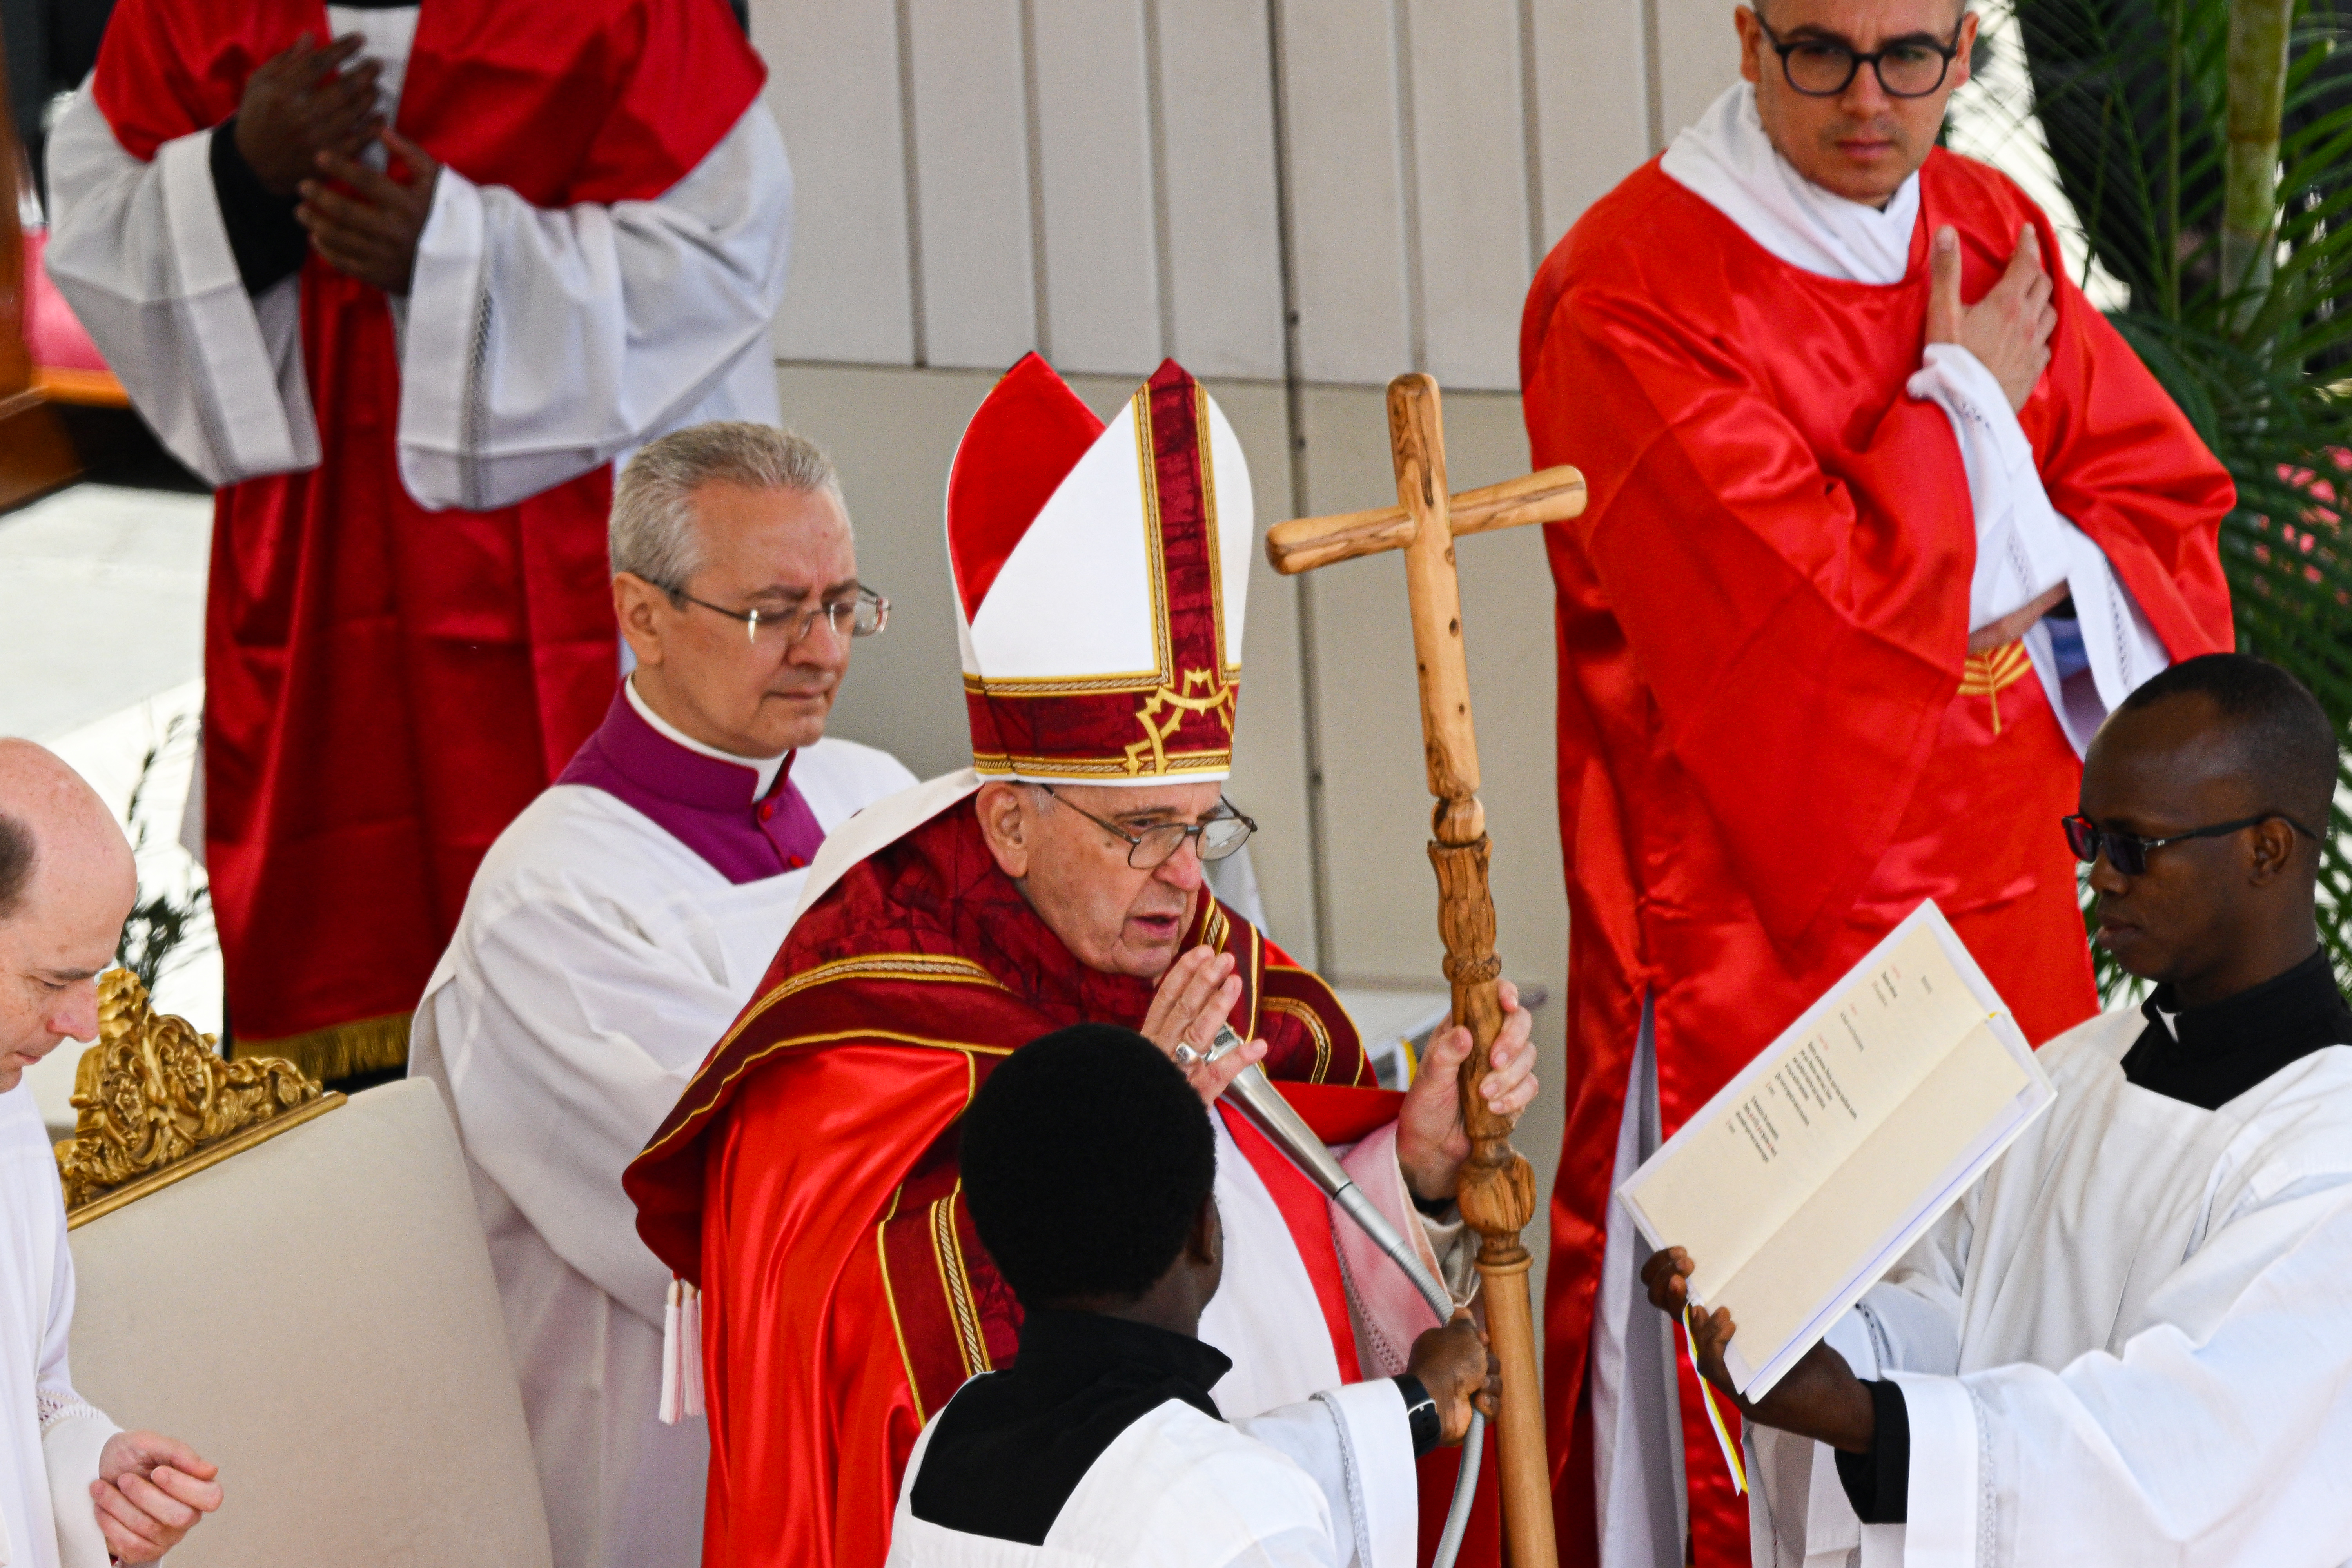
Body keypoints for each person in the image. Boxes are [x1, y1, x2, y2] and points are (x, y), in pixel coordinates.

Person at [1517, 0, 2239, 1557]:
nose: (1870, 101)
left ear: (1967, 43)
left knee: (2015, 1364)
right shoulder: (1631, 289)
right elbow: (1798, 647)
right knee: (1782, 1412)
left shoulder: (1981, 220)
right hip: (1768, 938)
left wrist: (1997, 530)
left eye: (1913, 56)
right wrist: (1967, 415)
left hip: (2011, 927)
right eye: (1820, 55)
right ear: (1746, 34)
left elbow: (2150, 505)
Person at [624, 355, 1541, 1568]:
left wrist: (1411, 1169)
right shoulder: (856, 1028)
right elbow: (890, 1404)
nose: (1188, 878)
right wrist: (1132, 1136)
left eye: (1205, 823)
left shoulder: (1170, 940)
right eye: (1142, 832)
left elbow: (1283, 1266)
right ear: (1011, 822)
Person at [42, 0, 791, 1083]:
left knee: (591, 975)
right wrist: (238, 183)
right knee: (342, 984)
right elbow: (96, 214)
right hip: (313, 566)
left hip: (575, 567)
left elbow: (724, 252)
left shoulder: (632, 16)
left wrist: (453, 257)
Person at [1642, 652, 2352, 1566]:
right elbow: (1949, 1299)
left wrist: (1870, 1418)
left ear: (2268, 848)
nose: (2101, 877)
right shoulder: (2070, 1070)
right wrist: (1803, 1334)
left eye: (2135, 846)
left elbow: (2175, 1453)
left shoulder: (2326, 1154)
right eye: (2088, 838)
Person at [405, 424, 915, 1568]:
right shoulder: (553, 906)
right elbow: (741, 1182)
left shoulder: (874, 798)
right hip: (664, 1461)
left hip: (876, 1421)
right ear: (641, 615)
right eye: (774, 612)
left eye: (843, 603)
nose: (823, 648)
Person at [891, 1022, 1499, 1568]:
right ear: (1205, 1234)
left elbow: (1169, 1467)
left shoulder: (951, 1442)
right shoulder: (1240, 1525)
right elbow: (1211, 1492)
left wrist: (1416, 1405)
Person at [0, 740, 225, 1564]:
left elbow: (28, 1394)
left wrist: (92, 1479)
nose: (86, 1023)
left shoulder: (8, 1111)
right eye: (55, 980)